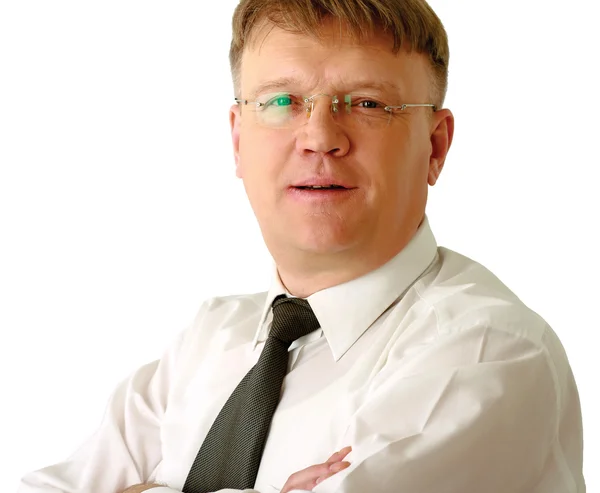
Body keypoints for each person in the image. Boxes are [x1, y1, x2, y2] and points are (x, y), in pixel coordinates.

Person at [18, 0, 586, 492]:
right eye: (282, 101)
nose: (319, 137)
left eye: (366, 103)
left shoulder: (490, 352)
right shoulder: (210, 339)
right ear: (238, 141)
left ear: (435, 147)